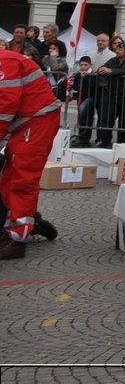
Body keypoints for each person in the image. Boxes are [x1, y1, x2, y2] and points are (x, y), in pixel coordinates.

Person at [1, 38, 64, 259]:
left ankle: (18, 238)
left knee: (22, 178)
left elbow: (4, 105)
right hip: (29, 122)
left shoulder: (4, 63)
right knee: (9, 179)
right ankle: (24, 223)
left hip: (37, 121)